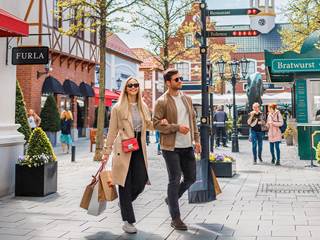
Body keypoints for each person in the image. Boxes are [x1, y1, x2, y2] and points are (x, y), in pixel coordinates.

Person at [102, 77, 167, 234]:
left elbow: (150, 125)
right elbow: (112, 131)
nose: (133, 87)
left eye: (136, 85)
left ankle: (125, 204)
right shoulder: (118, 108)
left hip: (139, 146)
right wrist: (106, 152)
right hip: (123, 147)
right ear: (125, 88)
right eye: (130, 85)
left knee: (141, 180)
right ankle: (128, 221)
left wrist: (161, 124)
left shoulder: (143, 105)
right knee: (124, 182)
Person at [153, 68, 201, 231]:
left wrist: (197, 140)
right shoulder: (161, 101)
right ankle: (176, 218)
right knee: (174, 179)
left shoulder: (187, 99)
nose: (180, 81)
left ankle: (171, 198)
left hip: (187, 145)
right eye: (177, 79)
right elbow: (156, 124)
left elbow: (193, 121)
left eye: (181, 79)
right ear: (168, 82)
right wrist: (176, 127)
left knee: (191, 178)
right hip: (170, 147)